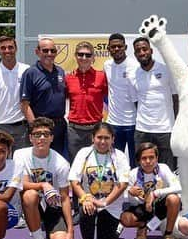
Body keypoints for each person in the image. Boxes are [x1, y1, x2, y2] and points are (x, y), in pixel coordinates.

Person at [13, 117, 74, 239]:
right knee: (30, 195)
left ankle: (47, 230)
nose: (41, 138)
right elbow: (22, 184)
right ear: (30, 138)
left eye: (46, 134)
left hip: (54, 205)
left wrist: (71, 230)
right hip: (32, 204)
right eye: (37, 134)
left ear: (52, 138)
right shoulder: (20, 155)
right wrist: (43, 185)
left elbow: (65, 198)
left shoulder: (61, 163)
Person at [69, 122, 130, 239]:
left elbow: (122, 184)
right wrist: (84, 197)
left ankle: (116, 230)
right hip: (90, 200)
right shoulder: (84, 153)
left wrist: (104, 202)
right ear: (92, 138)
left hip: (110, 204)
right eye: (99, 137)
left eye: (107, 138)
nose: (102, 141)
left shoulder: (119, 156)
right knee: (86, 208)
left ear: (113, 139)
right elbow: (74, 180)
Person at [121, 142, 182, 239]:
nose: (148, 161)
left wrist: (154, 194)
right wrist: (131, 194)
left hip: (160, 206)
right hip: (142, 207)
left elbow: (178, 187)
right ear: (138, 160)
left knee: (174, 199)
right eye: (144, 158)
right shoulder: (133, 174)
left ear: (157, 158)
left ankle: (168, 234)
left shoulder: (163, 168)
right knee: (125, 219)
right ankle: (143, 226)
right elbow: (132, 203)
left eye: (151, 157)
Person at [129, 37, 178, 170]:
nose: (142, 52)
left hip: (165, 129)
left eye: (144, 49)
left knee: (167, 170)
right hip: (142, 129)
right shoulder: (133, 75)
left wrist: (177, 122)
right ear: (135, 54)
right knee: (143, 169)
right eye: (138, 50)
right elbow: (136, 102)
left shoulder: (166, 70)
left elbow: (175, 97)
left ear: (151, 50)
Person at [20, 37, 68, 157]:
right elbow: (24, 104)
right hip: (40, 125)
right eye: (45, 51)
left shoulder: (60, 71)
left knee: (57, 160)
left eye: (52, 51)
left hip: (59, 126)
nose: (49, 54)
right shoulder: (30, 73)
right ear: (37, 52)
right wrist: (36, 127)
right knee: (39, 160)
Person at [0, 35, 30, 152]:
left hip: (21, 127)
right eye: (3, 48)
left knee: (21, 163)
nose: (7, 51)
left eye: (10, 47)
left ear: (16, 48)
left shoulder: (26, 70)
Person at [66, 41, 108, 162]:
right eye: (80, 54)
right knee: (75, 164)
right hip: (74, 130)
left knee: (96, 163)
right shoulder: (69, 77)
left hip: (95, 129)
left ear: (93, 58)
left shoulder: (101, 76)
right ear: (76, 56)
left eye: (88, 55)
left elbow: (108, 97)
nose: (84, 58)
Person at [104, 33, 138, 165]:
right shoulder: (107, 65)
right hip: (114, 123)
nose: (116, 49)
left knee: (135, 162)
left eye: (119, 46)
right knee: (115, 162)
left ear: (125, 47)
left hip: (134, 122)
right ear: (109, 49)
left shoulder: (135, 66)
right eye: (113, 47)